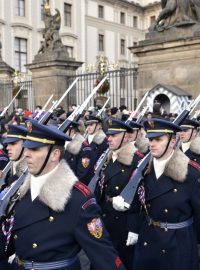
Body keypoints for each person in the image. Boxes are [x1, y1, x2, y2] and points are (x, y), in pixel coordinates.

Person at [0, 118, 126, 270]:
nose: (26, 154)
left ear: (55, 154)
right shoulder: (18, 190)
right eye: (26, 148)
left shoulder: (78, 199)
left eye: (35, 149)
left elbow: (104, 256)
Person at [113, 118, 200, 270]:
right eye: (150, 139)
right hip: (148, 238)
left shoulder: (191, 173)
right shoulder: (143, 169)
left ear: (173, 142)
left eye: (158, 139)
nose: (152, 144)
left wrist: (192, 244)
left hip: (177, 244)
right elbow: (139, 204)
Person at [94, 119, 144, 270]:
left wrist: (134, 228)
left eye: (114, 135)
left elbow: (141, 198)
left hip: (123, 222)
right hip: (103, 217)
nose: (108, 138)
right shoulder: (106, 157)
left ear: (127, 137)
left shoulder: (137, 160)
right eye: (108, 134)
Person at [76, 113, 108, 185]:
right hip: (81, 176)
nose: (88, 127)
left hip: (94, 179)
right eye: (87, 125)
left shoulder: (104, 141)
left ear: (99, 125)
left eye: (91, 125)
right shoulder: (84, 140)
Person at [1, 124, 27, 190]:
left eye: (13, 143)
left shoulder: (28, 175)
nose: (7, 148)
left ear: (26, 144)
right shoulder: (14, 166)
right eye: (8, 144)